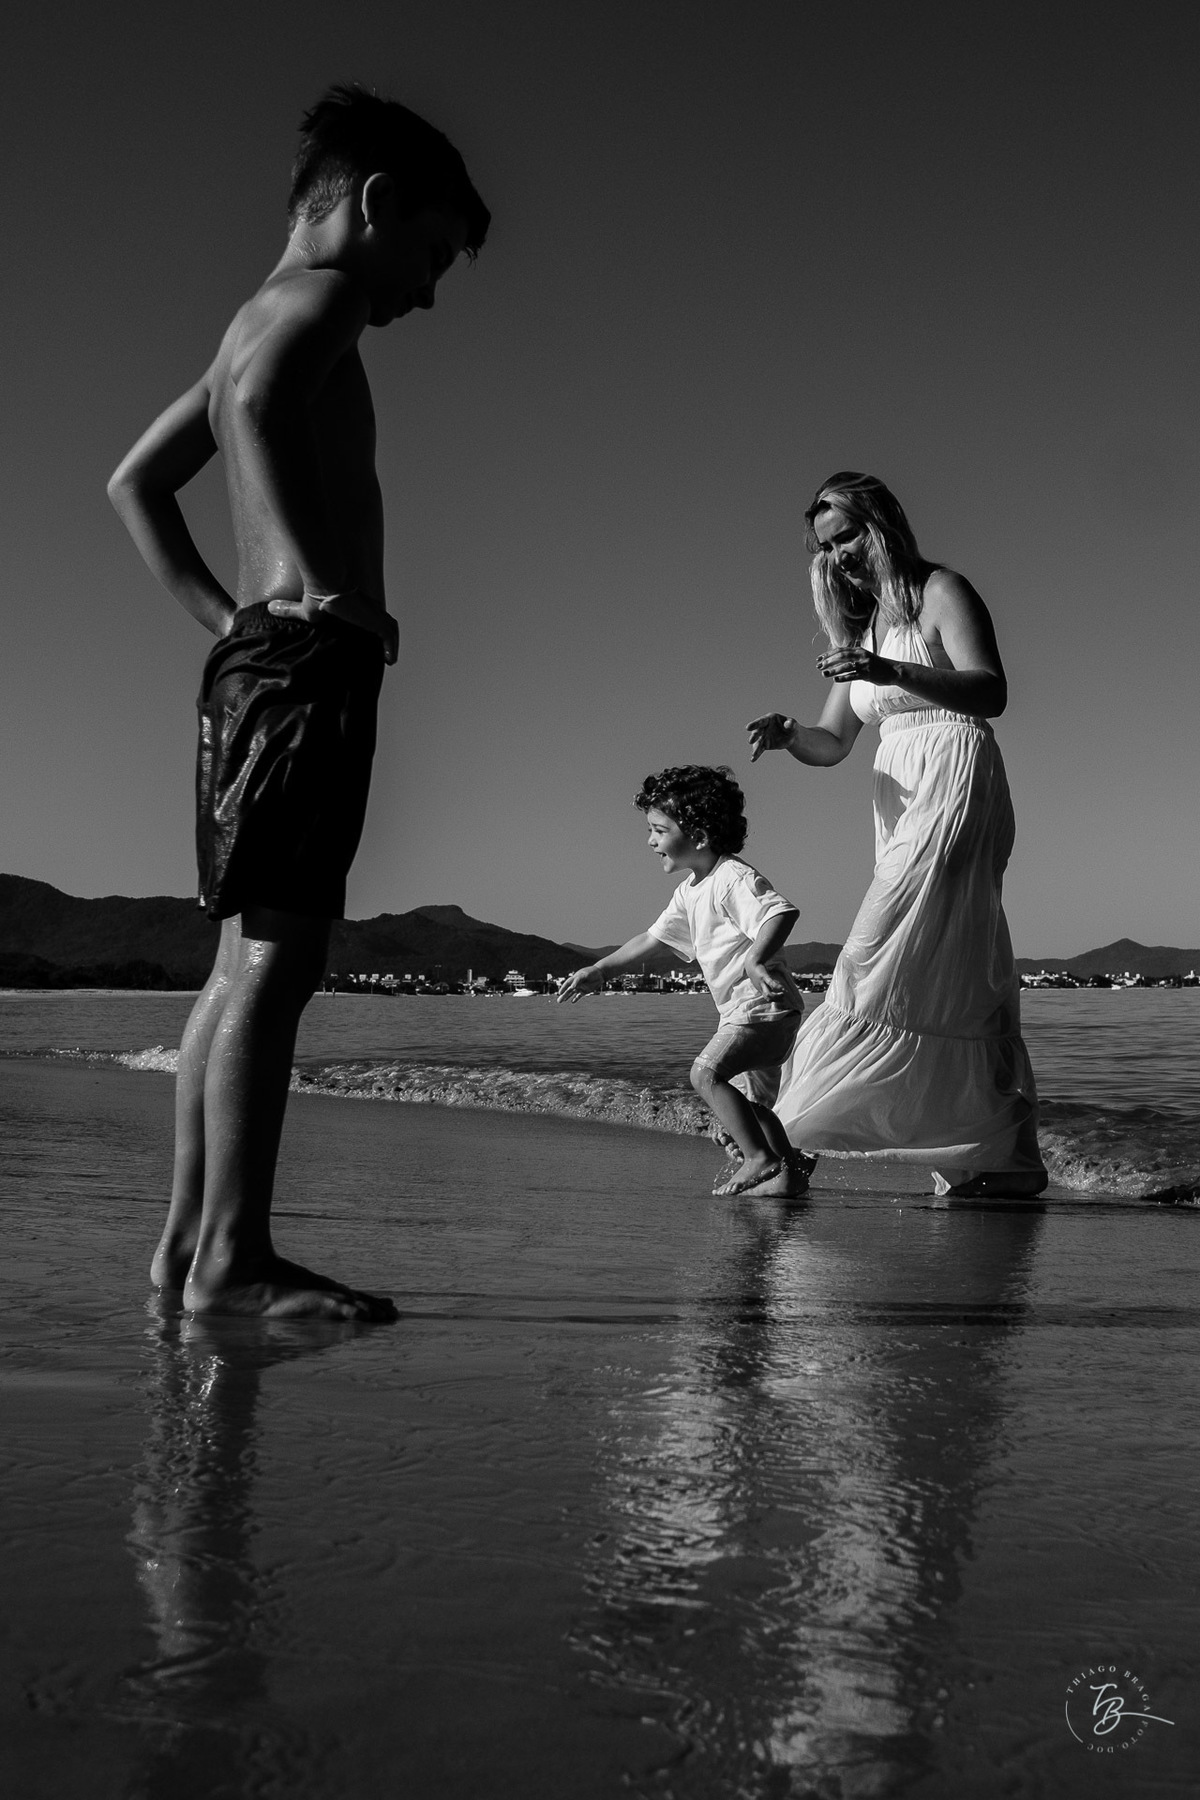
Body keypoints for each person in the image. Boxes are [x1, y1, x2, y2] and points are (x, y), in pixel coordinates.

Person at [107, 85, 490, 1317]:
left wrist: (231, 619)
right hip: (303, 664)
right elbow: (260, 415)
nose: (428, 291)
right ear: (374, 205)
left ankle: (187, 1249)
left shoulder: (248, 321)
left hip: (257, 661)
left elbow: (135, 483)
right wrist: (322, 588)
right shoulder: (321, 301)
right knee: (280, 960)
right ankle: (235, 1261)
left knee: (237, 965)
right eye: (430, 253)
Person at [747, 472, 1047, 1199]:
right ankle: (1000, 1159)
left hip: (955, 771)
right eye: (826, 545)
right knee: (954, 968)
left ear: (883, 524)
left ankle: (792, 1141)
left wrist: (890, 667)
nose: (839, 554)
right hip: (897, 790)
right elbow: (834, 742)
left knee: (875, 954)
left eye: (848, 535)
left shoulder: (942, 591)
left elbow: (992, 691)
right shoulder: (862, 624)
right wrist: (792, 734)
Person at [557, 766, 808, 1198]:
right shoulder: (692, 889)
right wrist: (600, 970)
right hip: (749, 1012)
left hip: (762, 1007)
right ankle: (790, 1170)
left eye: (659, 829)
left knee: (705, 1073)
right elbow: (652, 939)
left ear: (700, 835)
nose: (650, 841)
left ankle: (761, 1159)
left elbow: (780, 912)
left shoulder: (731, 877)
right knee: (749, 1106)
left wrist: (756, 960)